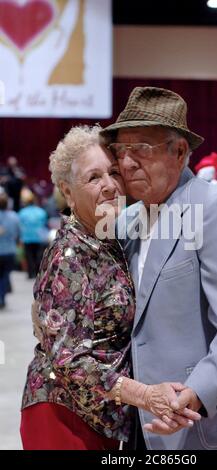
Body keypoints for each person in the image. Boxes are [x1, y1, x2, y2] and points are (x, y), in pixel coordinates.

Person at [99, 86, 217, 450]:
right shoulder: (126, 221)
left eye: (142, 149)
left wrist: (195, 393)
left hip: (212, 428)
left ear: (179, 151)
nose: (127, 162)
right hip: (147, 429)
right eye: (121, 150)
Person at [21, 125, 199, 450]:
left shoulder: (109, 238)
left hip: (100, 417)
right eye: (93, 178)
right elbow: (68, 359)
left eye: (113, 173)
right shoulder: (68, 253)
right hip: (62, 414)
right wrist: (145, 395)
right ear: (68, 191)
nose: (109, 186)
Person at [18, 189, 48, 279]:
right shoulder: (41, 211)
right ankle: (37, 272)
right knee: (38, 255)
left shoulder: (22, 212)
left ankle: (30, 273)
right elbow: (44, 223)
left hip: (27, 237)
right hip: (39, 237)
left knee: (29, 256)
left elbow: (20, 225)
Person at [0, 192, 19, 309]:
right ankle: (2, 296)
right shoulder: (14, 216)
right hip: (10, 251)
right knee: (5, 274)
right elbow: (17, 234)